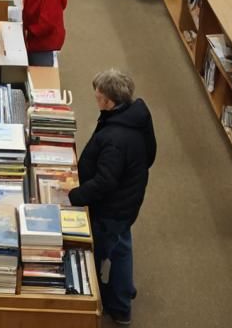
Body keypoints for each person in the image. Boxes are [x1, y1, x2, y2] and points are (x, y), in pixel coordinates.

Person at [68, 69, 157, 326]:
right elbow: (149, 157)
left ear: (109, 101)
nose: (95, 98)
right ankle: (124, 289)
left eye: (98, 96)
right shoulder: (135, 117)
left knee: (100, 252)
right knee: (121, 245)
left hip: (112, 207)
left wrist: (76, 196)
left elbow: (105, 181)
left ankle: (118, 307)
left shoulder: (116, 138)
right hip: (127, 200)